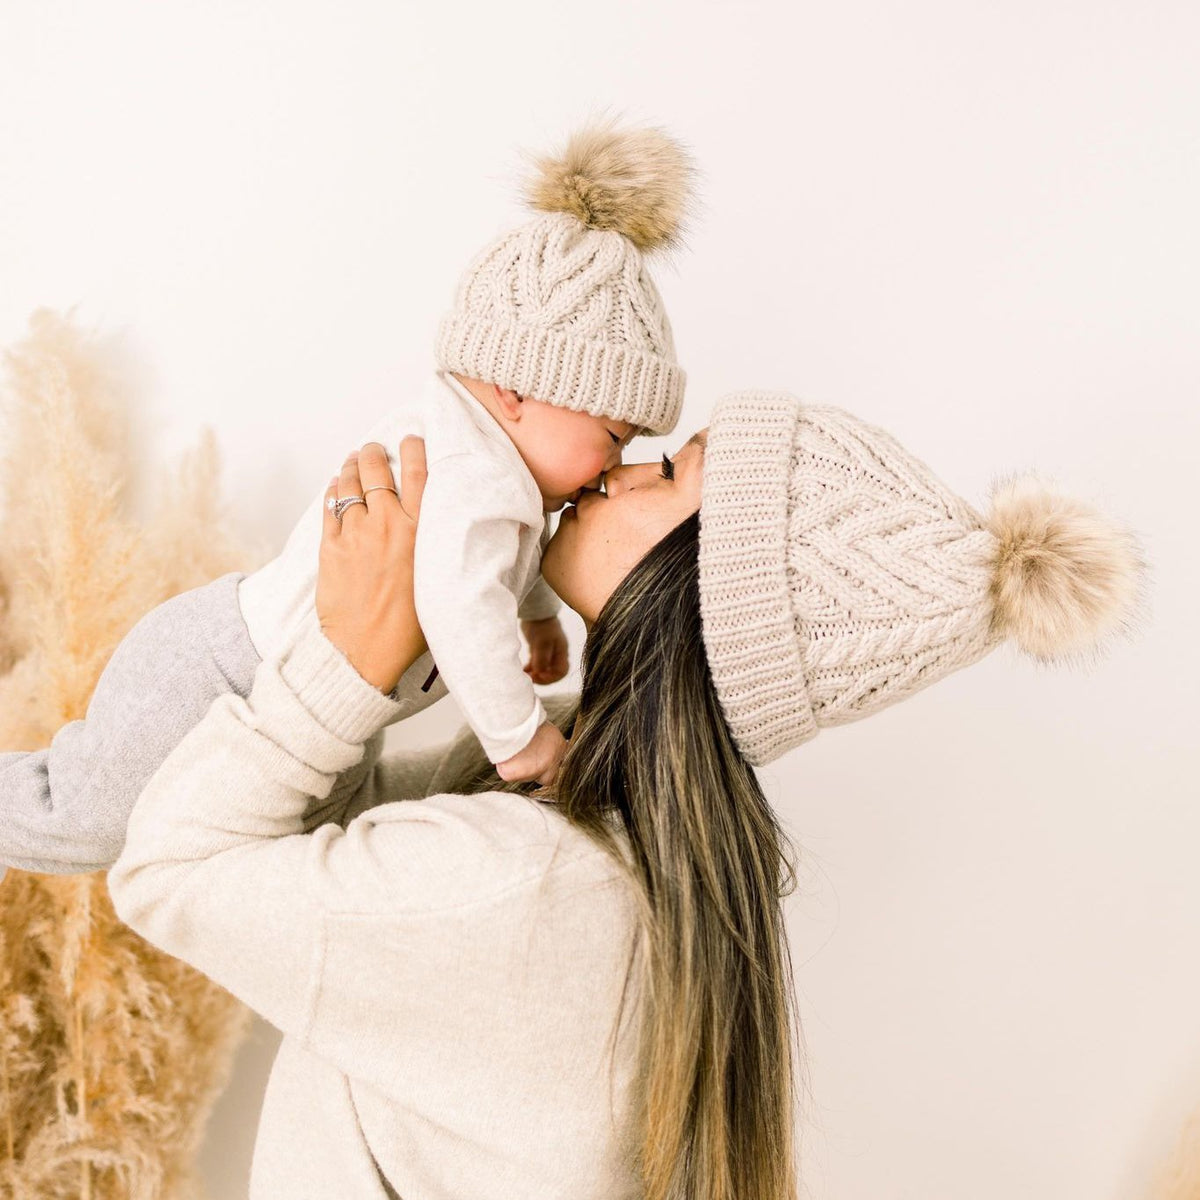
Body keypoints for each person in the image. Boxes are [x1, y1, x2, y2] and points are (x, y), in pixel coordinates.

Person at [107, 392, 1144, 1200]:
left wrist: (343, 661)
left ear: (702, 590)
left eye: (672, 470)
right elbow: (332, 840)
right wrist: (404, 633)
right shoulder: (604, 860)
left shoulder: (523, 886)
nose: (619, 463)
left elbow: (169, 867)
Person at [0, 118, 698, 883]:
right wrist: (522, 740)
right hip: (222, 675)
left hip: (324, 695)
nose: (614, 465)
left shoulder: (499, 472)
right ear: (517, 388)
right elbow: (458, 601)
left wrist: (535, 617)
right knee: (82, 820)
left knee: (301, 843)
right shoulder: (477, 474)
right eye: (612, 433)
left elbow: (495, 558)